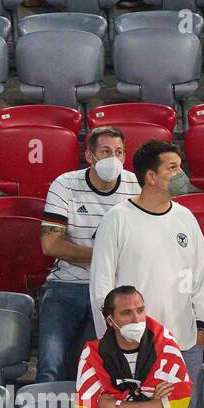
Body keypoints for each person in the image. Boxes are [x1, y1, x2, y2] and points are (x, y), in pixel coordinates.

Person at [90, 139, 204, 408]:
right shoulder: (117, 220)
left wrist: (202, 326)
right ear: (150, 177)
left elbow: (203, 275)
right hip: (135, 347)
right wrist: (112, 340)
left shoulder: (186, 217)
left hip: (185, 343)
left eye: (180, 166)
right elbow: (101, 285)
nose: (180, 174)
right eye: (172, 168)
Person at [37, 126, 139, 383]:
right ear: (90, 156)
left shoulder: (135, 186)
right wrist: (107, 254)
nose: (112, 159)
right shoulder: (65, 185)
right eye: (105, 152)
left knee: (98, 368)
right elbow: (51, 245)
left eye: (118, 152)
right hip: (67, 285)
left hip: (115, 290)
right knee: (51, 362)